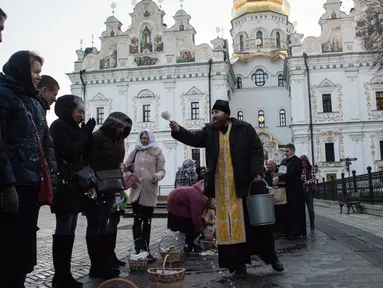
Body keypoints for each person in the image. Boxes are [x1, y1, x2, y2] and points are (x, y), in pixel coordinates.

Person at [170, 99, 284, 279]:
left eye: (217, 112)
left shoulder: (243, 129)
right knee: (228, 230)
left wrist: (256, 171)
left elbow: (256, 149)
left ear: (226, 114)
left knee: (254, 227)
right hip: (222, 190)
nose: (214, 115)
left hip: (243, 187)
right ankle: (238, 266)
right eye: (212, 112)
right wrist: (178, 130)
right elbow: (194, 138)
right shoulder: (210, 132)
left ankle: (271, 258)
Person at [0, 51, 45, 287]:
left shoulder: (32, 100)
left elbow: (42, 141)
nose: (39, 76)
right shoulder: (4, 95)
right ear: (20, 70)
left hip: (30, 183)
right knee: (10, 250)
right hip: (14, 183)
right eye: (35, 71)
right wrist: (7, 184)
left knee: (24, 250)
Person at [50, 95, 96, 287]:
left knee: (70, 229)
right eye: (79, 111)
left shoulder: (75, 128)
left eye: (83, 112)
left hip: (75, 184)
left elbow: (84, 153)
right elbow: (69, 150)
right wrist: (84, 134)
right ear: (68, 110)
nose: (81, 115)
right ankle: (60, 275)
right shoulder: (59, 126)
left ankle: (65, 273)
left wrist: (87, 134)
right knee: (63, 228)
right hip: (63, 185)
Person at [87, 112, 132, 278]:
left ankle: (104, 263)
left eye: (124, 128)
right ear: (112, 124)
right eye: (120, 126)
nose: (122, 130)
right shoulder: (98, 137)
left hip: (110, 188)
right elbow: (91, 162)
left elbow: (115, 164)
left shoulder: (114, 140)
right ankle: (97, 266)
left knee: (103, 226)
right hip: (98, 188)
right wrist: (92, 185)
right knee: (96, 227)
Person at [122, 129, 166, 263]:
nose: (144, 140)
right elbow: (124, 167)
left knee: (147, 222)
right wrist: (129, 176)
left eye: (146, 138)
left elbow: (162, 170)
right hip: (136, 192)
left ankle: (146, 250)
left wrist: (157, 176)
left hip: (149, 191)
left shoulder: (157, 152)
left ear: (150, 139)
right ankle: (137, 249)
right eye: (142, 138)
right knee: (137, 221)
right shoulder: (135, 151)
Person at [35, 75, 60, 232]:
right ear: (44, 91)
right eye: (54, 94)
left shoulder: (39, 109)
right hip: (33, 175)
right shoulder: (35, 108)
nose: (55, 99)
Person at [167, 180, 214, 252]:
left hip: (175, 206)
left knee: (199, 223)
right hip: (177, 209)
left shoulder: (199, 192)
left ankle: (190, 243)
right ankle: (189, 245)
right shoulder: (198, 198)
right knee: (196, 224)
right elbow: (196, 218)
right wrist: (204, 234)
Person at [273, 144, 306, 239]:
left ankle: (296, 232)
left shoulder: (297, 161)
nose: (285, 153)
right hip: (285, 189)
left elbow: (292, 174)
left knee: (295, 211)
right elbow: (281, 172)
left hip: (295, 190)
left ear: (292, 151)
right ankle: (287, 231)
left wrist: (279, 177)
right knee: (287, 211)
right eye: (285, 151)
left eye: (287, 151)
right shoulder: (284, 161)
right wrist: (277, 177)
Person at [265, 160, 288, 238]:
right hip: (271, 195)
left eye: (270, 164)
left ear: (274, 164)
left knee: (281, 213)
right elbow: (266, 182)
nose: (269, 166)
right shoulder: (266, 173)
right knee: (273, 213)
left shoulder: (280, 171)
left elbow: (285, 179)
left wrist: (278, 185)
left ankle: (281, 231)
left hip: (280, 194)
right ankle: (275, 231)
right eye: (267, 165)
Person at [300, 155, 317, 231]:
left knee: (310, 209)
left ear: (307, 162)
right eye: (302, 163)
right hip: (301, 192)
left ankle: (312, 225)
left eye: (304, 163)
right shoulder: (299, 169)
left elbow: (313, 179)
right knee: (301, 210)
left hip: (309, 191)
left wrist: (306, 182)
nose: (303, 164)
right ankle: (303, 225)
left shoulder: (311, 169)